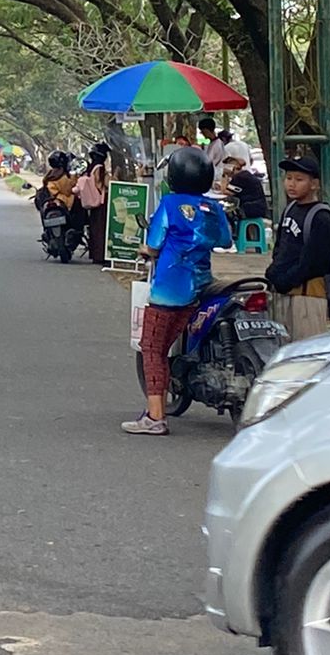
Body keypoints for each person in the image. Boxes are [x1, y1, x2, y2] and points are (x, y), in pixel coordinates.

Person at [123, 147, 232, 436]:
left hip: (171, 289)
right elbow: (224, 240)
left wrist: (146, 250)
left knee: (153, 348)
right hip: (202, 283)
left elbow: (154, 242)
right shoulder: (213, 208)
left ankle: (155, 417)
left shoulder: (170, 204)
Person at [265, 154, 330, 342]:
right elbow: (280, 246)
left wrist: (287, 279)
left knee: (307, 347)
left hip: (307, 295)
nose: (292, 184)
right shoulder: (290, 209)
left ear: (314, 184)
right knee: (281, 347)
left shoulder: (322, 218)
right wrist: (274, 272)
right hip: (281, 291)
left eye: (299, 180)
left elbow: (315, 262)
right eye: (289, 178)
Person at [76, 143, 110, 265]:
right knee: (101, 229)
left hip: (93, 202)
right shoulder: (99, 168)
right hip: (101, 202)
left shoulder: (91, 168)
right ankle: (101, 255)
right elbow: (103, 184)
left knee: (95, 228)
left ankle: (96, 254)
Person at [220, 140, 270, 222]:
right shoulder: (244, 175)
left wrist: (224, 175)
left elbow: (224, 191)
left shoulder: (240, 177)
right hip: (256, 207)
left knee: (225, 214)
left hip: (251, 209)